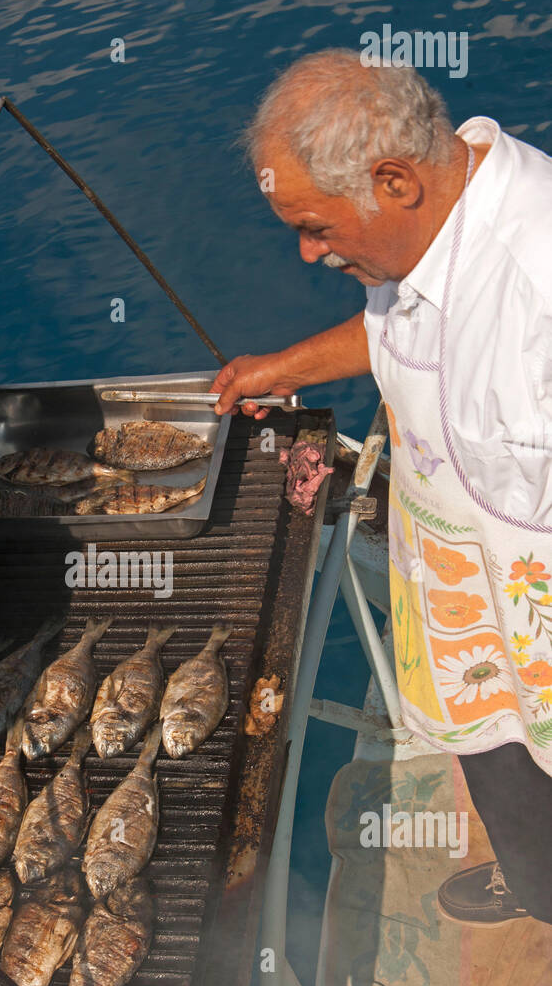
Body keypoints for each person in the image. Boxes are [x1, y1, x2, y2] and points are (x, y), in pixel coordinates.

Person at [213, 49, 552, 927]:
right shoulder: (428, 231)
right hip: (463, 619)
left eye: (317, 228)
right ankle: (541, 882)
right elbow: (405, 337)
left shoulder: (538, 288)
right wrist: (284, 367)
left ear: (394, 179)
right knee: (507, 786)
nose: (307, 251)